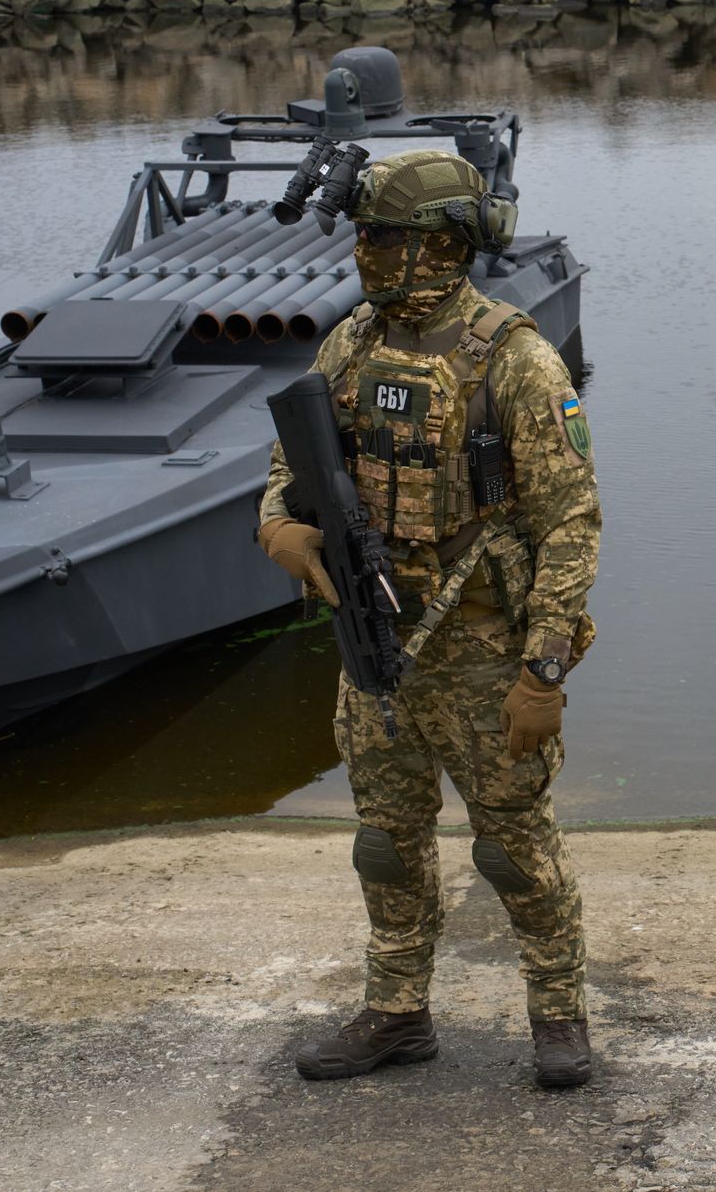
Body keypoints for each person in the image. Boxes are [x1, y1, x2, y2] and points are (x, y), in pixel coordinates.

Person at [256, 148, 601, 1088]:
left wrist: (544, 674)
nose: (370, 254)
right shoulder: (351, 344)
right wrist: (279, 523)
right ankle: (397, 1009)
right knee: (385, 839)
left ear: (443, 244)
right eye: (364, 237)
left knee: (514, 844)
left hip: (487, 650)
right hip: (377, 643)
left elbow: (571, 520)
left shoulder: (517, 360)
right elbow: (294, 461)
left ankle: (560, 1013)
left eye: (389, 238)